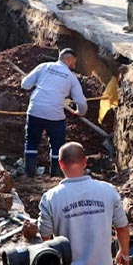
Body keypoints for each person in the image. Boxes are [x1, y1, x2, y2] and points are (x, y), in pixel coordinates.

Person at [20, 48, 88, 176]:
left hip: (35, 110)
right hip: (55, 115)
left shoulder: (43, 67)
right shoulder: (71, 77)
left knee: (31, 142)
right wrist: (80, 112)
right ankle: (56, 175)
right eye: (73, 62)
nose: (74, 66)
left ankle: (29, 174)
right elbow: (82, 102)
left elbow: (25, 84)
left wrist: (38, 84)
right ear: (68, 60)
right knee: (57, 144)